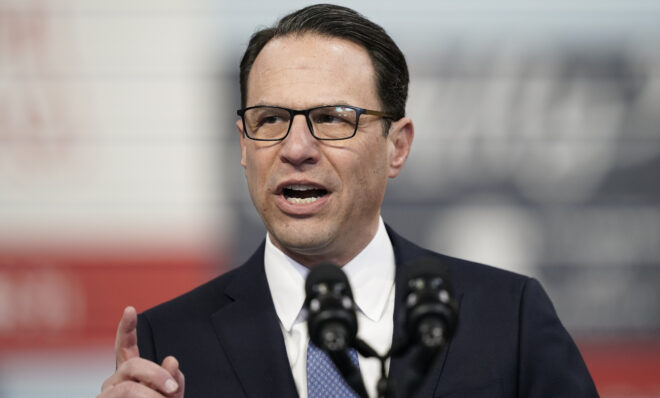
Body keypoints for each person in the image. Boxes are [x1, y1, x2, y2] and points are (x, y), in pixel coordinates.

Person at [98, 4, 598, 398]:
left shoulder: (508, 317)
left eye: (333, 118)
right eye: (270, 119)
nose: (296, 149)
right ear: (244, 146)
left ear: (396, 146)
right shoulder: (167, 344)